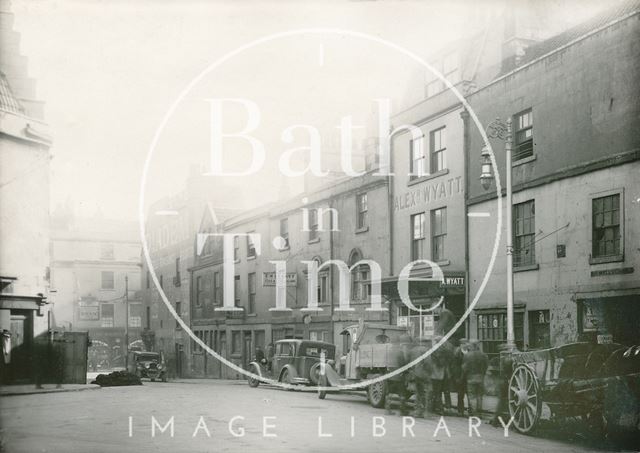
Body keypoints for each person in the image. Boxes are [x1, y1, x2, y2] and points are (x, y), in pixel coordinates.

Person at [385, 334, 412, 416]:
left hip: (390, 375)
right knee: (402, 394)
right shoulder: (399, 352)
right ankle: (402, 411)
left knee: (389, 393)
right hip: (398, 376)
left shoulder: (388, 351)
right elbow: (402, 364)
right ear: (398, 343)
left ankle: (388, 410)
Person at [462, 340, 489, 416]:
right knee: (479, 395)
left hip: (470, 377)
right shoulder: (483, 355)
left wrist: (463, 376)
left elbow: (464, 368)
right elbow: (486, 366)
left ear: (472, 346)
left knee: (472, 396)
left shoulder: (467, 355)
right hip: (481, 377)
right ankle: (479, 412)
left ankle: (474, 412)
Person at [491, 343, 514, 426]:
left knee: (502, 401)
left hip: (501, 381)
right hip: (505, 382)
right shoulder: (507, 359)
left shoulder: (496, 359)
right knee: (503, 401)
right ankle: (497, 420)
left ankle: (498, 420)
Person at [408, 338, 430, 418]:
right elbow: (428, 363)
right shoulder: (426, 350)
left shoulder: (413, 350)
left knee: (417, 393)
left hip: (415, 374)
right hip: (424, 374)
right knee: (425, 393)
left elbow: (410, 362)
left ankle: (417, 411)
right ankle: (425, 412)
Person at [452, 338, 469, 416]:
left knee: (469, 394)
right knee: (460, 394)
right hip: (460, 375)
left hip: (468, 376)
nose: (466, 345)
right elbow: (454, 366)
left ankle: (470, 410)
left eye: (466, 343)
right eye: (464, 343)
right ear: (461, 344)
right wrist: (456, 377)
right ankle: (460, 410)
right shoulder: (457, 353)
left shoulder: (469, 352)